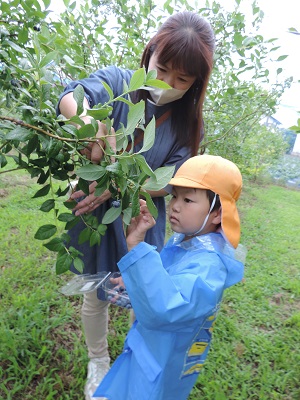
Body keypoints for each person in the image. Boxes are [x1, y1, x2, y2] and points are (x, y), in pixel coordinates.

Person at [57, 11, 215, 400]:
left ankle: (135, 357)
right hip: (96, 213)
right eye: (162, 70)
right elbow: (69, 99)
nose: (167, 85)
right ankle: (98, 360)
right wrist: (91, 127)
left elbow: (172, 180)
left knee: (138, 294)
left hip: (139, 221)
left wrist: (120, 180)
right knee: (96, 294)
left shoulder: (185, 123)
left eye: (182, 80)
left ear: (195, 84)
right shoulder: (116, 84)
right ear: (150, 54)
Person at [93, 154, 245, 400]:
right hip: (151, 349)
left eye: (188, 199)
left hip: (163, 361)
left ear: (218, 213)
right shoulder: (189, 241)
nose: (175, 205)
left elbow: (165, 307)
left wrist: (137, 246)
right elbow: (164, 278)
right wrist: (133, 280)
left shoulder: (209, 267)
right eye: (174, 195)